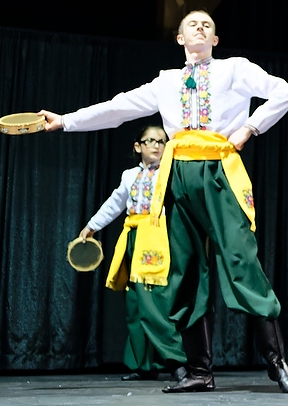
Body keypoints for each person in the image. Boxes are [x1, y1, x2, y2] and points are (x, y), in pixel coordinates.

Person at [40, 10, 288, 394]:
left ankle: (277, 364)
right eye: (192, 24)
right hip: (177, 176)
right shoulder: (166, 82)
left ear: (215, 39)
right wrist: (65, 120)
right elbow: (117, 108)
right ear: (180, 38)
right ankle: (199, 371)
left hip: (218, 173)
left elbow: (285, 92)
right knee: (185, 270)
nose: (200, 27)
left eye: (208, 24)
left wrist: (250, 127)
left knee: (241, 261)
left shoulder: (234, 69)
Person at [79, 123, 185, 382]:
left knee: (155, 301)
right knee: (136, 303)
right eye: (150, 141)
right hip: (134, 238)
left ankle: (175, 361)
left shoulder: (172, 171)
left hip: (158, 238)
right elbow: (115, 203)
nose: (156, 146)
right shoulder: (129, 175)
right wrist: (92, 226)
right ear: (138, 146)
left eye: (161, 141)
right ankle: (144, 363)